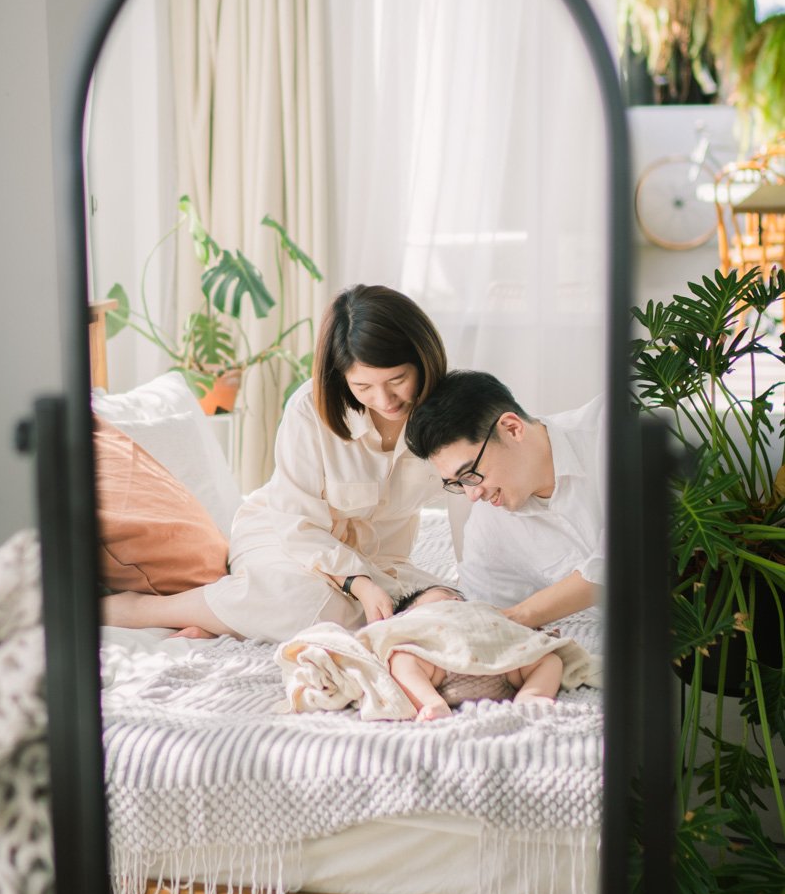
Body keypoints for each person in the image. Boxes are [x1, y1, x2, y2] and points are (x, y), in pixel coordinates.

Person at [100, 284, 451, 643]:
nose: (385, 399)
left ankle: (227, 620)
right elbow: (298, 524)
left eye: (397, 380)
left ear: (422, 360)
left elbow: (472, 496)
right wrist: (359, 583)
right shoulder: (310, 409)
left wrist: (371, 583)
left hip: (378, 562)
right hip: (285, 538)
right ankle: (150, 610)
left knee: (444, 606)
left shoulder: (450, 414)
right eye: (363, 387)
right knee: (307, 602)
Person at [405, 371, 604, 629]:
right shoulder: (488, 527)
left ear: (512, 428)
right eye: (458, 483)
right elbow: (480, 610)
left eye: (470, 474)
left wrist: (524, 614)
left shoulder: (610, 430)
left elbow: (631, 554)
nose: (473, 495)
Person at [385, 584, 565, 722]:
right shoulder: (415, 621)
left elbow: (511, 629)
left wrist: (535, 637)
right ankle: (432, 702)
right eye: (444, 597)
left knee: (549, 659)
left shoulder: (484, 610)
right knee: (401, 659)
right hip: (441, 667)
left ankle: (531, 695)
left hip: (502, 663)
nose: (455, 599)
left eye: (457, 598)